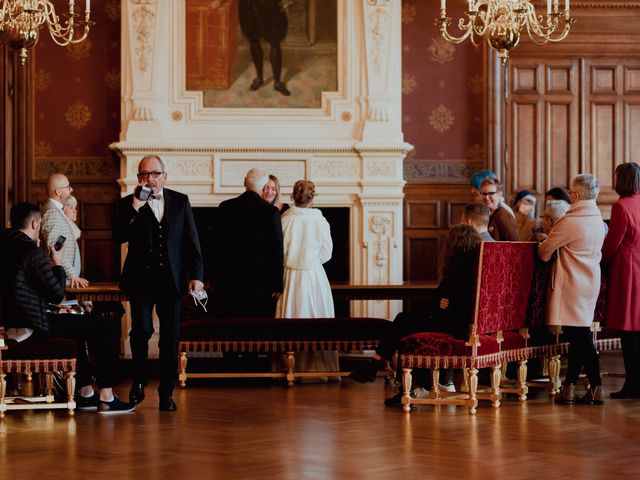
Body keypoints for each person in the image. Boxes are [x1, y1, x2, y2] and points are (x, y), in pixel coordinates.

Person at [0, 203, 134, 413]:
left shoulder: (5, 247)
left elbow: (21, 290)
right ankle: (107, 396)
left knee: (77, 327)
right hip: (33, 329)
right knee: (104, 325)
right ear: (35, 223)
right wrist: (57, 263)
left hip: (11, 326)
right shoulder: (31, 251)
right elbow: (56, 293)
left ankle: (86, 392)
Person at [350, 224, 482, 405]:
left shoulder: (459, 271)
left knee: (403, 322)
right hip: (456, 321)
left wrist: (442, 304)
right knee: (404, 321)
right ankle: (388, 373)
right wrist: (440, 304)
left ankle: (386, 372)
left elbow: (448, 302)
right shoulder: (473, 267)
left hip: (453, 324)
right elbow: (441, 300)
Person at [116, 155, 204, 412]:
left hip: (172, 281)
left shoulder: (181, 201)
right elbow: (118, 235)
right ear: (139, 178)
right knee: (141, 332)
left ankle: (167, 392)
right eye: (144, 174)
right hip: (140, 281)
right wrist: (135, 205)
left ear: (165, 176)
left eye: (155, 174)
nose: (150, 179)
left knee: (170, 338)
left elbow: (192, 241)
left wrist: (197, 275)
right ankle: (139, 380)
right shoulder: (127, 204)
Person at [538, 174, 607, 405]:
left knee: (581, 337)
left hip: (571, 285)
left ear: (576, 195)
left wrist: (543, 241)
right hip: (590, 282)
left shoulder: (571, 220)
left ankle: (597, 387)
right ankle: (568, 388)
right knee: (579, 336)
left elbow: (544, 252)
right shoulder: (598, 218)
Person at [275, 180, 337, 378]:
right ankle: (317, 368)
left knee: (292, 317)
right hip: (314, 276)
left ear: (293, 196)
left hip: (291, 276)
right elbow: (327, 253)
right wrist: (310, 261)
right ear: (312, 198)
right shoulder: (320, 220)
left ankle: (290, 367)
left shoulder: (285, 219)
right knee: (315, 317)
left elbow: (278, 252)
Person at [212, 167, 284, 318]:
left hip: (229, 282)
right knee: (258, 331)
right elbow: (277, 250)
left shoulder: (225, 207)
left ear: (245, 182)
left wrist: (213, 279)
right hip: (261, 284)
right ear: (265, 188)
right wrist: (277, 283)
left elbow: (215, 247)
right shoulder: (271, 212)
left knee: (232, 331)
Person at [601, 162, 640, 399]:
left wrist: (601, 262)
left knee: (628, 330)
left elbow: (612, 243)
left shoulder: (621, 206)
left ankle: (633, 384)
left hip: (628, 272)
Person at [40, 173, 89, 288]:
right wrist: (72, 275)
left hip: (63, 280)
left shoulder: (56, 210)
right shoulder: (52, 213)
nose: (71, 189)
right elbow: (55, 249)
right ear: (58, 192)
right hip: (59, 280)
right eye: (68, 187)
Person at [239, 0, 291, 96]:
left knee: (275, 41)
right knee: (254, 39)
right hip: (249, 6)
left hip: (272, 4)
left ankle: (278, 82)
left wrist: (286, 1)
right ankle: (259, 78)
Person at [62, 195, 82, 278]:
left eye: (75, 208)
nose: (75, 211)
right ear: (62, 209)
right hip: (66, 277)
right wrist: (72, 275)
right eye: (71, 208)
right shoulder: (63, 227)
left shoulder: (72, 229)